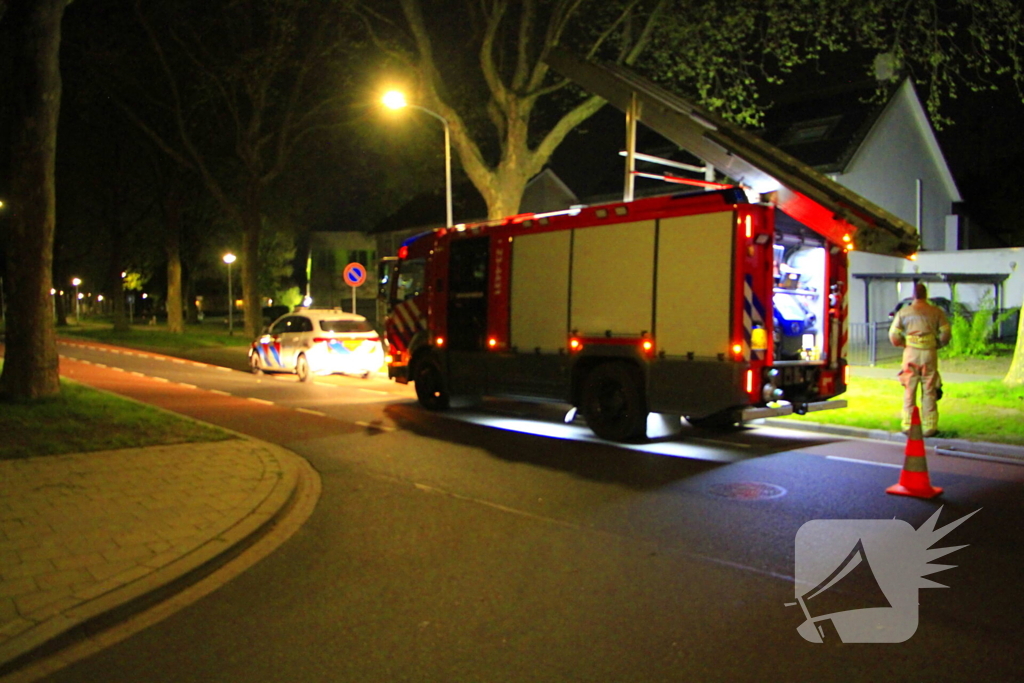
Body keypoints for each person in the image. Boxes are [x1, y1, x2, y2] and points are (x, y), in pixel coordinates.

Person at [888, 283, 952, 436]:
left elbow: (893, 335)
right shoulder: (936, 312)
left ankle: (908, 424)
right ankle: (929, 426)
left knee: (909, 389)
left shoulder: (904, 312)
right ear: (926, 295)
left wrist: (904, 343)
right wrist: (937, 344)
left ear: (913, 296)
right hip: (929, 353)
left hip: (911, 353)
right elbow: (945, 333)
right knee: (929, 389)